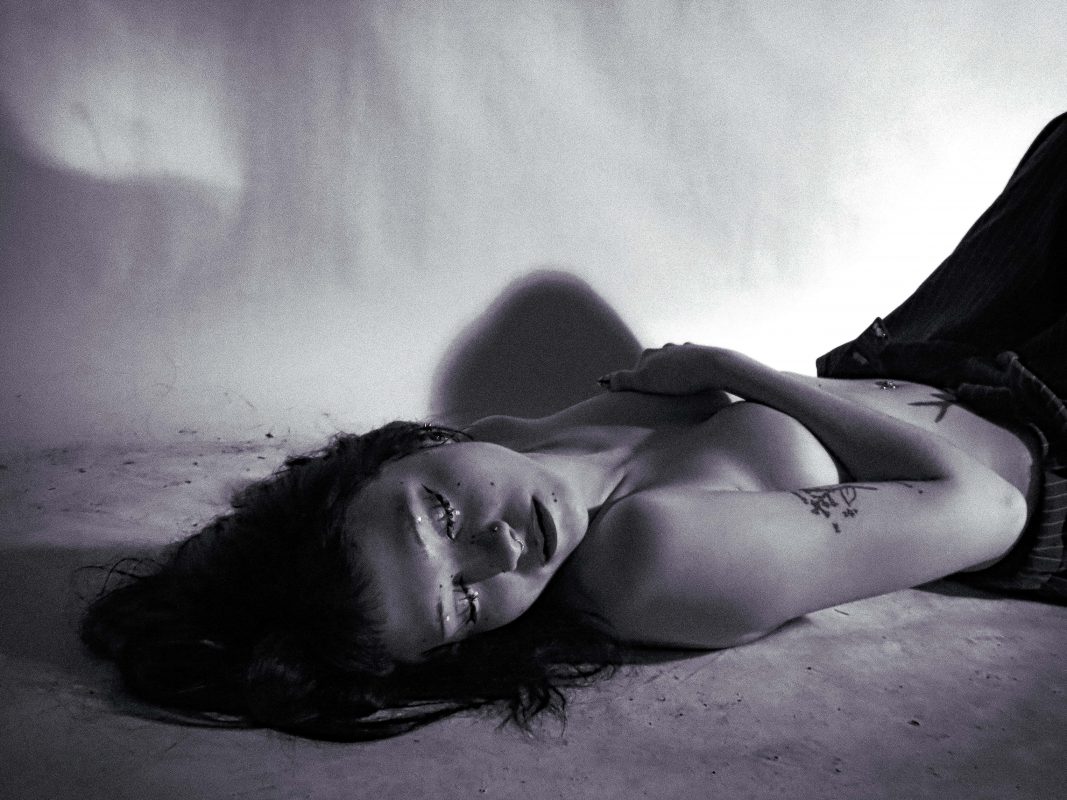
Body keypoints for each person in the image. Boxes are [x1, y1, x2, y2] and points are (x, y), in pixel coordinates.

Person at [81, 112, 1067, 742]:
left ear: (404, 448)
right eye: (463, 603)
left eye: (439, 517)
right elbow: (988, 510)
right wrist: (731, 370)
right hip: (1046, 451)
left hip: (926, 357)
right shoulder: (651, 559)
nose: (501, 553)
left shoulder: (506, 435)